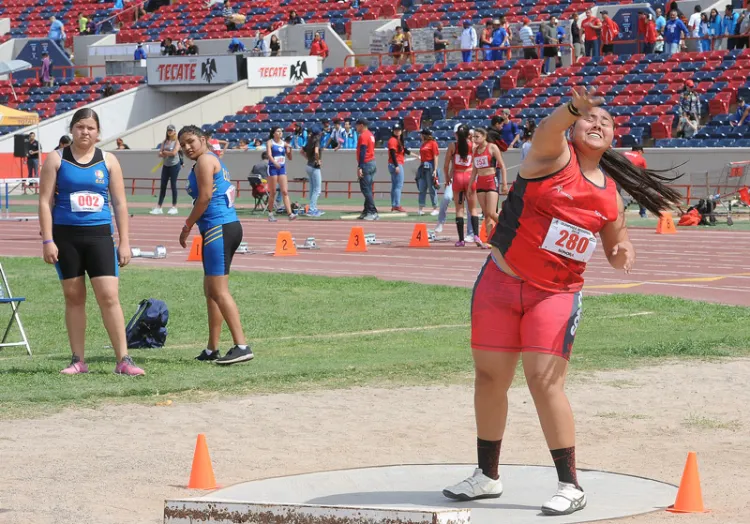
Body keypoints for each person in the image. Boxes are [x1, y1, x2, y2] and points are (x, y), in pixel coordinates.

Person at [442, 87, 681, 515]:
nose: (597, 123)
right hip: (499, 281)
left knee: (543, 381)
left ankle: (570, 484)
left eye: (605, 123)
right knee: (489, 379)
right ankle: (486, 477)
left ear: (611, 141)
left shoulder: (609, 195)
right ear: (573, 127)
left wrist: (621, 251)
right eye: (590, 118)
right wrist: (572, 108)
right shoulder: (552, 157)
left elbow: (616, 240)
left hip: (554, 294)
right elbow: (549, 129)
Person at [37, 108, 145, 376]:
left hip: (99, 237)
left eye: (90, 128)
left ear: (98, 133)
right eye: (80, 127)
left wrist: (124, 242)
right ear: (72, 129)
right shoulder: (56, 159)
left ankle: (124, 360)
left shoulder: (108, 160)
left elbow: (120, 203)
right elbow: (44, 201)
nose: (85, 132)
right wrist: (48, 240)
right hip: (66, 237)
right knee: (74, 298)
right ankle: (78, 360)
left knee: (109, 296)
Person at [177, 125, 254, 365]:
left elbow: (205, 197)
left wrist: (187, 225)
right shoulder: (208, 160)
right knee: (211, 291)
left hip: (218, 227)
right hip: (223, 226)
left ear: (203, 139)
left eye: (190, 141)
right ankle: (212, 348)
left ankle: (242, 346)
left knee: (219, 291)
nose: (187, 147)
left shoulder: (204, 161)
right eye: (182, 145)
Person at [468, 128, 506, 248]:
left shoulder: (492, 147)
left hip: (491, 181)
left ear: (484, 136)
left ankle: (508, 227)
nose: (474, 139)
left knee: (491, 212)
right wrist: (470, 185)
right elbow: (474, 170)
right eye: (473, 137)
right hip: (480, 182)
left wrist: (504, 183)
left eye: (477, 137)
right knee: (486, 214)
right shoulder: (475, 150)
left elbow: (502, 166)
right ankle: (491, 241)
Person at [444, 124, 480, 247]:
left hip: (458, 177)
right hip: (470, 177)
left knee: (459, 209)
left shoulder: (452, 146)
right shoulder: (473, 146)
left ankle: (461, 239)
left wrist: (447, 177)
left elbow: (446, 165)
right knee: (473, 209)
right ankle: (476, 236)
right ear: (468, 134)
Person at [266, 126, 297, 222]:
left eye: (281, 131)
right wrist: (274, 163)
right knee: (273, 192)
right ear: (273, 133)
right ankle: (270, 213)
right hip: (272, 168)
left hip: (282, 169)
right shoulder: (270, 142)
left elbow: (290, 157)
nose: (280, 133)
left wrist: (290, 149)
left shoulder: (284, 144)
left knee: (284, 191)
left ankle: (290, 214)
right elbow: (269, 155)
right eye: (278, 131)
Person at [151, 124, 182, 216]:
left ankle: (174, 207)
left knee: (173, 185)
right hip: (166, 165)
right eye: (168, 131)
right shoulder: (165, 141)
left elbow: (174, 153)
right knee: (163, 185)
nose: (170, 132)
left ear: (175, 132)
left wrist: (165, 153)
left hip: (174, 165)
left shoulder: (177, 141)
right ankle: (159, 207)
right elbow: (159, 153)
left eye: (171, 131)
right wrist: (163, 153)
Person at [355, 119, 378, 220]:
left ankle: (372, 211)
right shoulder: (370, 135)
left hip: (366, 164)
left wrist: (360, 167)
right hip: (372, 162)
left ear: (361, 125)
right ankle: (366, 210)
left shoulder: (363, 136)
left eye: (357, 126)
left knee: (365, 189)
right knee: (368, 188)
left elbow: (363, 151)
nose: (356, 128)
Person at [300, 124, 325, 217]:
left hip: (308, 166)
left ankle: (312, 207)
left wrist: (308, 159)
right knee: (317, 189)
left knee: (312, 188)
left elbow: (301, 151)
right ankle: (312, 209)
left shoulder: (309, 140)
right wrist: (317, 160)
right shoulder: (317, 141)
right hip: (314, 167)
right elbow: (316, 152)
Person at [622, 146, 648, 217]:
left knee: (616, 194)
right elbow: (645, 173)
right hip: (631, 177)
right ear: (639, 151)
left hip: (616, 176)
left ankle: (619, 209)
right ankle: (643, 213)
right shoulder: (641, 159)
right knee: (641, 193)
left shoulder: (623, 153)